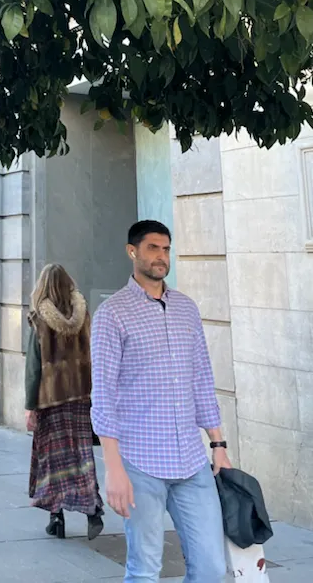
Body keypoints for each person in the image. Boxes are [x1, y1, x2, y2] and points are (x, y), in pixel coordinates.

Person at [91, 220, 230, 583]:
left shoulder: (186, 308)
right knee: (144, 570)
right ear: (132, 251)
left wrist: (218, 444)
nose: (161, 256)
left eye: (166, 249)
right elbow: (102, 394)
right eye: (153, 248)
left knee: (212, 568)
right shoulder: (113, 314)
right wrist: (113, 468)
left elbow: (201, 378)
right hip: (140, 462)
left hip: (191, 462)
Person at [25, 263, 104, 541]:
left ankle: (56, 517)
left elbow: (33, 368)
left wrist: (30, 406)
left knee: (53, 459)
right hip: (81, 397)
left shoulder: (39, 320)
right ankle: (93, 510)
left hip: (51, 400)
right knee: (82, 455)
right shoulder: (84, 316)